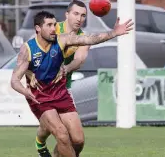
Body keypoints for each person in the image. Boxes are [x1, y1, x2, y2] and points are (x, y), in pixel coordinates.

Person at [10, 11, 133, 157]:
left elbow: (89, 39)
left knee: (78, 140)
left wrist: (113, 33)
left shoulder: (62, 40)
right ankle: (41, 145)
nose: (53, 28)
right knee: (62, 135)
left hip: (61, 94)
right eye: (49, 25)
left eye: (55, 24)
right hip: (40, 97)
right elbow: (14, 80)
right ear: (38, 28)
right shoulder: (28, 49)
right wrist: (25, 91)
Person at [34, 0, 90, 157]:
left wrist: (66, 68)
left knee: (78, 141)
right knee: (58, 130)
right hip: (43, 88)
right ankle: (40, 143)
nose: (79, 18)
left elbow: (79, 60)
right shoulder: (52, 28)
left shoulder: (83, 38)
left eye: (83, 15)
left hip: (64, 88)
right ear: (67, 14)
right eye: (76, 14)